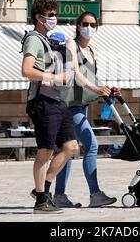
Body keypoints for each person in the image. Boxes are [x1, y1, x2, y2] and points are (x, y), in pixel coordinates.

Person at [53, 11, 119, 208]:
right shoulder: (71, 45)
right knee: (91, 145)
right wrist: (96, 88)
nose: (89, 27)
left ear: (97, 27)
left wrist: (108, 89)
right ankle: (95, 194)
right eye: (85, 23)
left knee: (68, 150)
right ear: (77, 25)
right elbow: (75, 72)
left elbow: (92, 79)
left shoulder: (92, 52)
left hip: (82, 106)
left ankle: (59, 196)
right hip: (69, 107)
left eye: (92, 24)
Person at [21, 0, 79, 214]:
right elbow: (26, 70)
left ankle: (42, 190)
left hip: (58, 101)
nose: (54, 18)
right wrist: (55, 77)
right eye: (51, 14)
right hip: (42, 101)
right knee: (45, 151)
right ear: (39, 17)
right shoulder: (34, 40)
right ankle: (41, 201)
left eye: (55, 14)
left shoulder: (50, 40)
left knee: (71, 146)